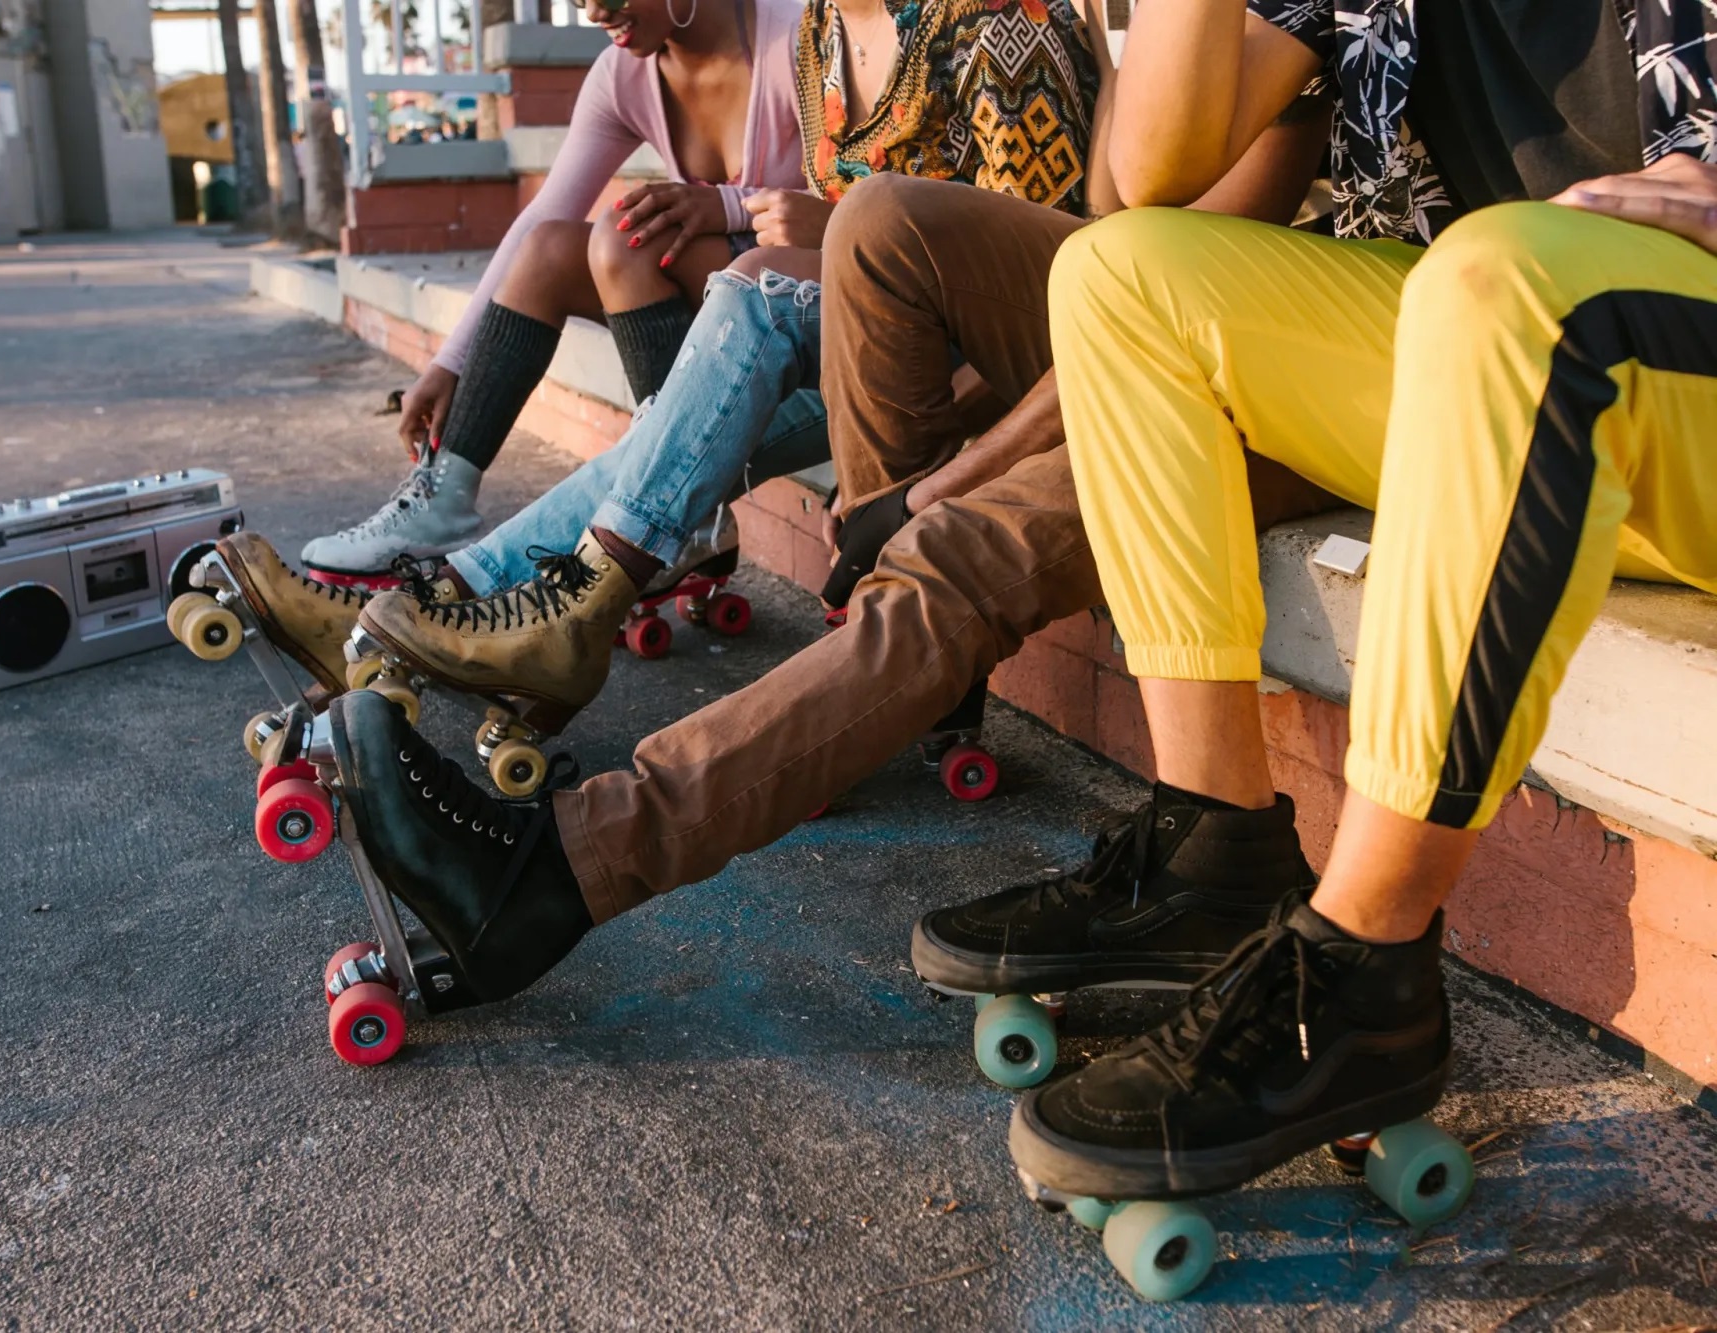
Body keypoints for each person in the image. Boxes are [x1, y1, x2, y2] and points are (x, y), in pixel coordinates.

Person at [907, 0, 1717, 1205]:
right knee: (1123, 277)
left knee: (1493, 277)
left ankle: (1364, 972)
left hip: (1645, 349)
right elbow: (1153, 172)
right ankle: (1211, 850)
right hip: (1512, 346)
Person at [309, 80, 1342, 999]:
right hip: (1208, 305)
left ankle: (557, 870)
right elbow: (1123, 216)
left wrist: (936, 491)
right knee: (882, 221)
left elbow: (1156, 292)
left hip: (1307, 360)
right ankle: (871, 663)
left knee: (955, 545)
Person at [346, 0, 1107, 741]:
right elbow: (851, 238)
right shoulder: (821, 29)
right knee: (688, 399)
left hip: (986, 354)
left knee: (752, 301)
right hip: (880, 326)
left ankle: (549, 605)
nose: (590, 12)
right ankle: (466, 589)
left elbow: (1031, 276)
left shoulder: (996, 19)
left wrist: (956, 452)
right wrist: (455, 358)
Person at [300, 0, 806, 587]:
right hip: (721, 295)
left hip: (801, 294)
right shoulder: (624, 73)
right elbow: (544, 212)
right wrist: (451, 363)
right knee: (548, 249)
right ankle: (444, 501)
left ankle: (682, 511)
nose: (593, 11)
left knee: (629, 240)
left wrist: (727, 204)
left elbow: (857, 195)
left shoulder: (794, 34)